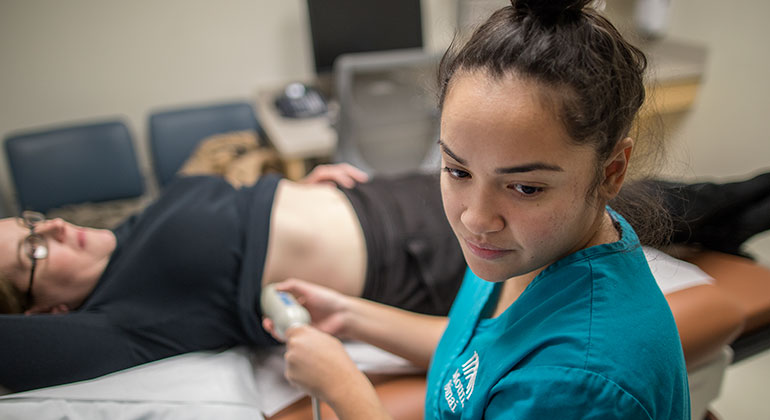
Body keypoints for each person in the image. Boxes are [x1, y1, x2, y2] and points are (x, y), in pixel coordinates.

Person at [262, 1, 691, 419]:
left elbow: (525, 373)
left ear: (611, 171)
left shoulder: (575, 386)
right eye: (457, 171)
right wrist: (347, 315)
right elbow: (480, 356)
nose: (475, 219)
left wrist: (344, 389)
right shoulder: (536, 249)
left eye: (525, 187)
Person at [0, 163, 467, 392]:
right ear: (47, 312)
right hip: (419, 257)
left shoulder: (126, 234)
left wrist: (295, 189)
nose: (54, 227)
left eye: (32, 222)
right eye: (35, 250)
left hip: (396, 191)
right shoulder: (120, 319)